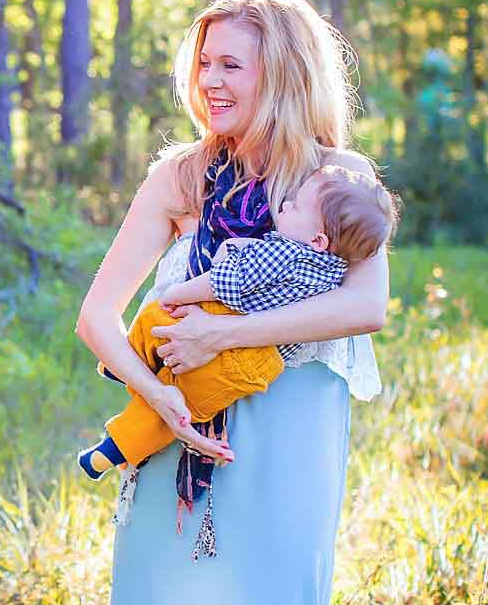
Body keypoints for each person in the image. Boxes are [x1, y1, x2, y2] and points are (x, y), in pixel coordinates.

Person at [72, 0, 388, 605]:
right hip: (179, 421)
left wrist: (228, 331)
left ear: (281, 72)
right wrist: (158, 391)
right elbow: (99, 315)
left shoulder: (335, 182)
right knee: (162, 604)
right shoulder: (183, 173)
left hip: (289, 429)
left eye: (230, 64)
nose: (208, 80)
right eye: (202, 61)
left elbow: (368, 303)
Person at [78, 168, 394, 535]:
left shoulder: (290, 249)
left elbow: (225, 282)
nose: (284, 205)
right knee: (174, 402)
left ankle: (115, 443)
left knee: (170, 390)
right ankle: (126, 398)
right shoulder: (330, 264)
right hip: (262, 366)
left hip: (240, 364)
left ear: (319, 238)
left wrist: (182, 301)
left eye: (293, 205)